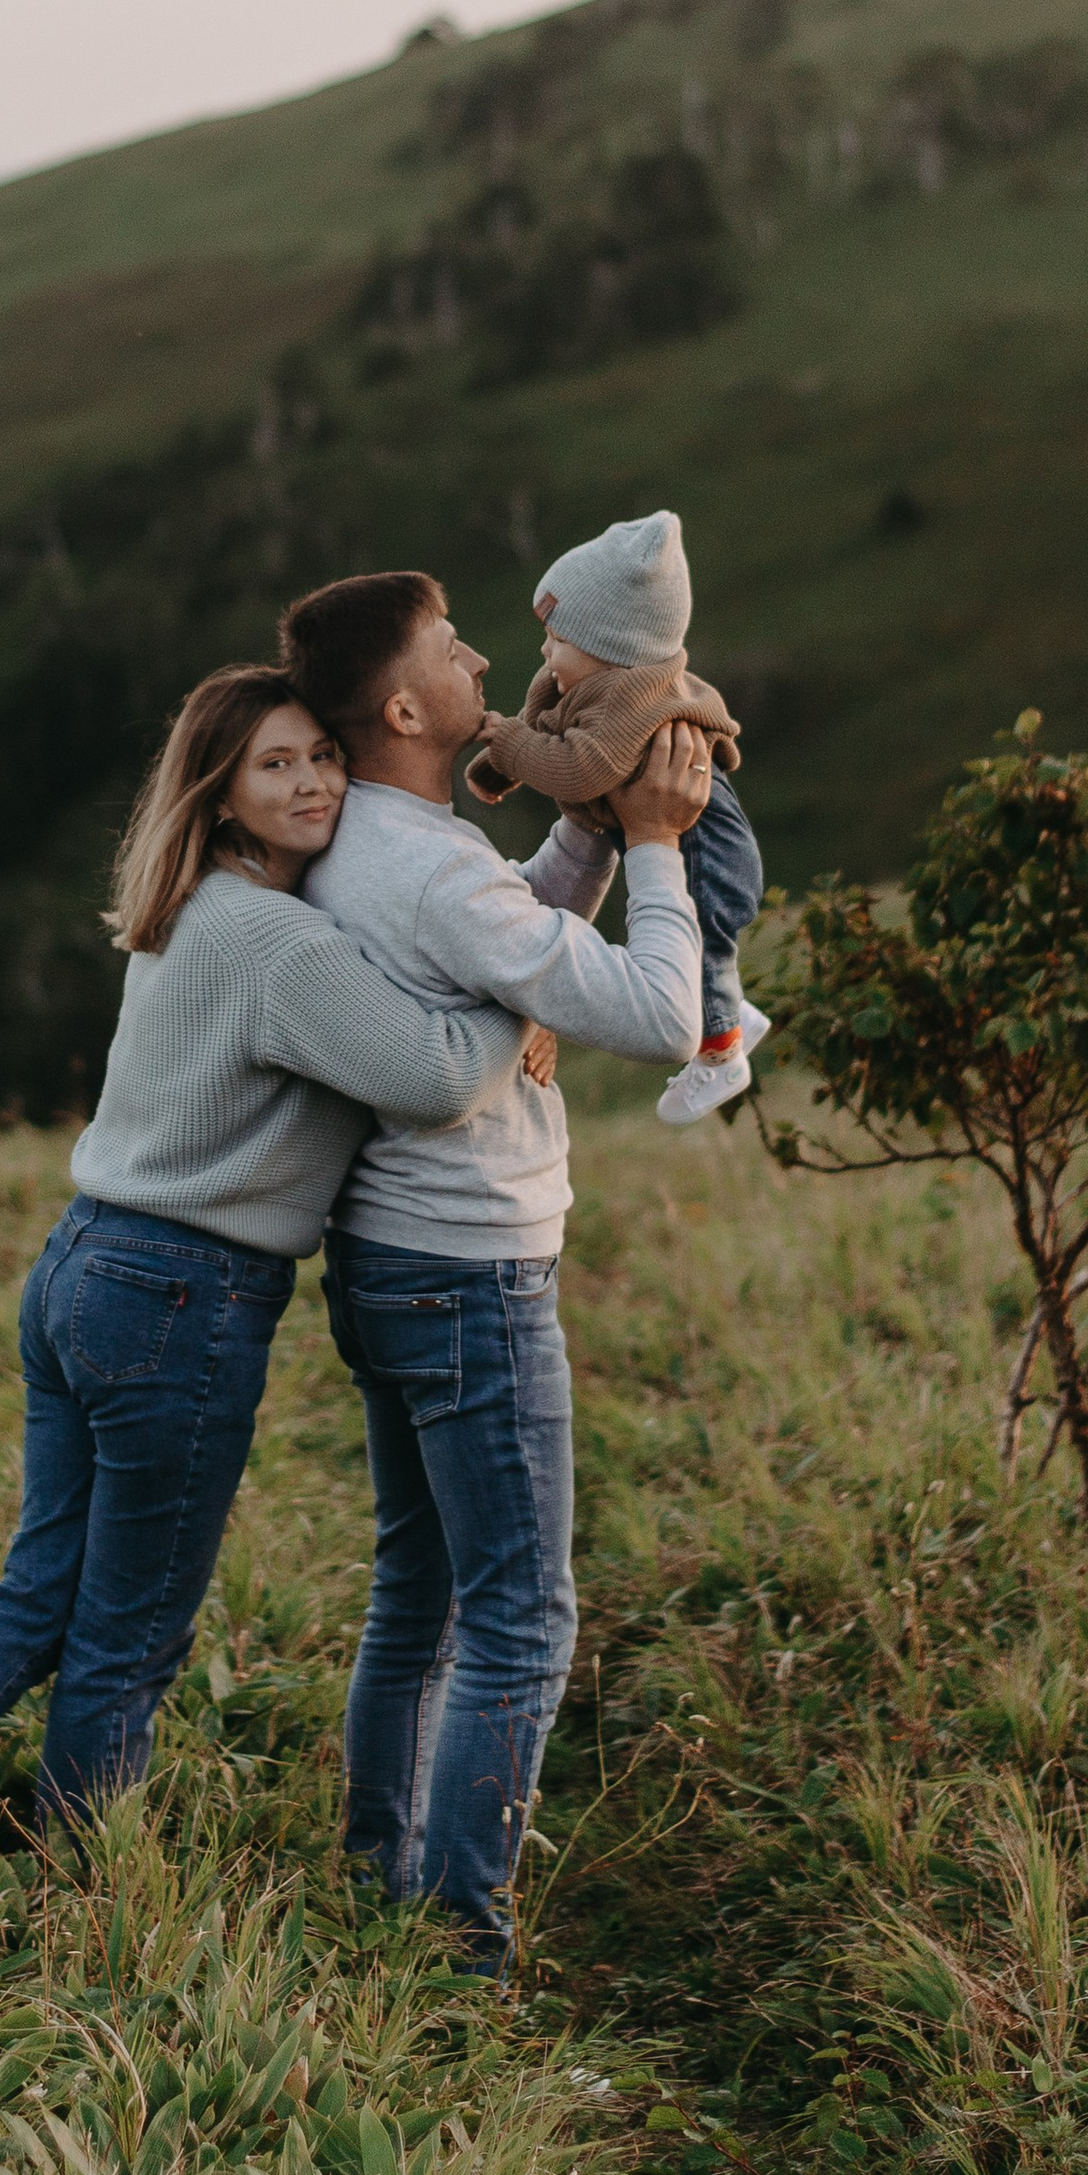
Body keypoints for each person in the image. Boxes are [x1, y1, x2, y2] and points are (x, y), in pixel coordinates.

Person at [0, 666, 535, 1848]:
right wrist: (525, 985)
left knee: (37, 1593)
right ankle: (87, 1894)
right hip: (178, 1297)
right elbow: (441, 1079)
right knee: (128, 1632)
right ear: (221, 793)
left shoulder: (194, 907)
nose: (310, 781)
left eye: (319, 754)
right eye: (274, 765)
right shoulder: (277, 943)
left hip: (85, 1265)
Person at [279, 567, 707, 1974]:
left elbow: (502, 937)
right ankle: (459, 1945)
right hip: (473, 1276)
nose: (482, 665)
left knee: (420, 1590)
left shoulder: (374, 846)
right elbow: (656, 1013)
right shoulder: (436, 868)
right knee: (523, 1620)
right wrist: (652, 839)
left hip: (388, 1258)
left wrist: (581, 843)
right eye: (453, 651)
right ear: (405, 706)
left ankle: (374, 1878)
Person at [463, 506, 770, 1123]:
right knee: (708, 951)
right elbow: (540, 724)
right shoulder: (581, 676)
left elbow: (583, 768)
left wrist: (514, 751)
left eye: (559, 639)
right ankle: (732, 1008)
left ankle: (721, 1053)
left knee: (703, 941)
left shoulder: (634, 698)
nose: (545, 650)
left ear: (611, 649)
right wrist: (499, 765)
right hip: (680, 830)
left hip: (707, 846)